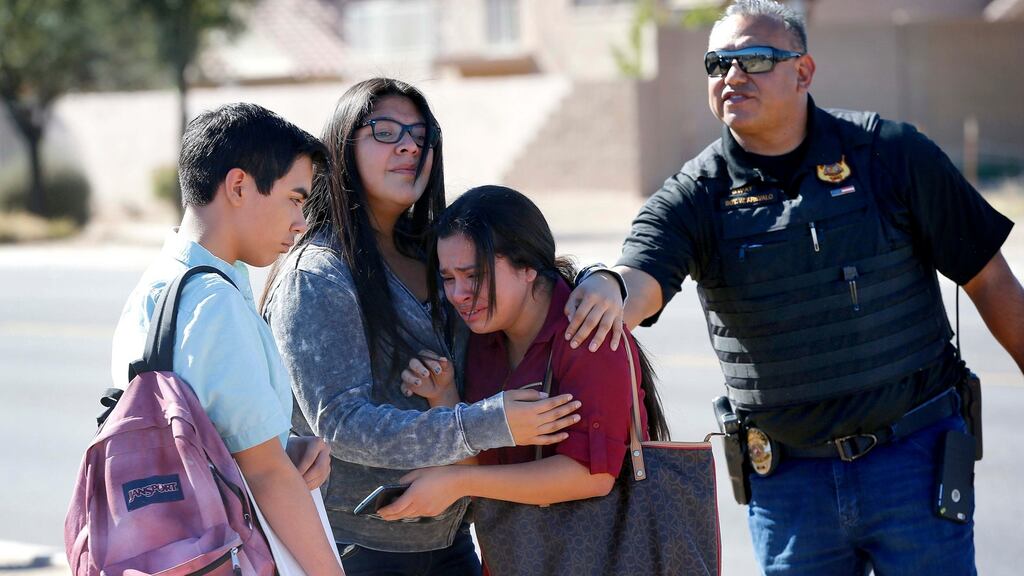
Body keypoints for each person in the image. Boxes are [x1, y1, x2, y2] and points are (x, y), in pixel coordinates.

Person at [564, 1, 1024, 574]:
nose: (731, 76)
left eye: (753, 59)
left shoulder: (891, 155)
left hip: (914, 462)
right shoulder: (694, 195)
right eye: (717, 63)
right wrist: (608, 287)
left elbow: (991, 278)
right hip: (789, 488)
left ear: (802, 72)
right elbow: (642, 277)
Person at [261, 78, 581, 576]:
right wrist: (488, 423)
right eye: (385, 131)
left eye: (420, 133)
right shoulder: (319, 275)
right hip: (358, 550)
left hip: (453, 541)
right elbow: (343, 426)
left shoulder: (437, 251)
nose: (410, 145)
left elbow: (531, 278)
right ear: (344, 147)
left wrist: (602, 281)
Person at [110, 103, 344, 575]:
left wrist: (280, 444)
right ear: (238, 186)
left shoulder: (156, 286)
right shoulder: (213, 304)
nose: (301, 223)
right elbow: (265, 474)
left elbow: (198, 441)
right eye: (295, 200)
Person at [375, 185, 669, 540]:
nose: (457, 295)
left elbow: (592, 476)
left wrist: (457, 482)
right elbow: (486, 463)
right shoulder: (482, 336)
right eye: (448, 278)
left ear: (528, 266)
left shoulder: (586, 331)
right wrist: (444, 396)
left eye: (474, 275)